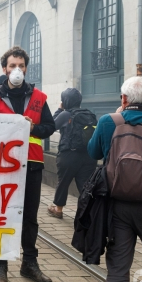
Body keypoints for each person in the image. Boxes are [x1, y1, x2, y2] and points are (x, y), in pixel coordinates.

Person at [0, 46, 55, 282]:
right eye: (12, 66)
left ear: (25, 68)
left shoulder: (39, 98)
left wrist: (33, 128)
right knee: (3, 216)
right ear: (4, 69)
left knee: (30, 218)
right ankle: (0, 267)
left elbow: (50, 127)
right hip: (1, 166)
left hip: (31, 165)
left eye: (21, 66)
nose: (17, 70)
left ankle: (29, 264)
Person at [87, 76, 142, 282]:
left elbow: (93, 152)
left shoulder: (108, 121)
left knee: (118, 266)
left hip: (117, 206)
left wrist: (113, 118)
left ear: (124, 98)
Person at [48, 88, 97, 219]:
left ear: (65, 101)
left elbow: (51, 126)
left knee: (63, 182)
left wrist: (59, 110)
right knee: (85, 185)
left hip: (68, 155)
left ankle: (58, 210)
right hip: (88, 156)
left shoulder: (66, 114)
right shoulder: (89, 114)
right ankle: (89, 212)